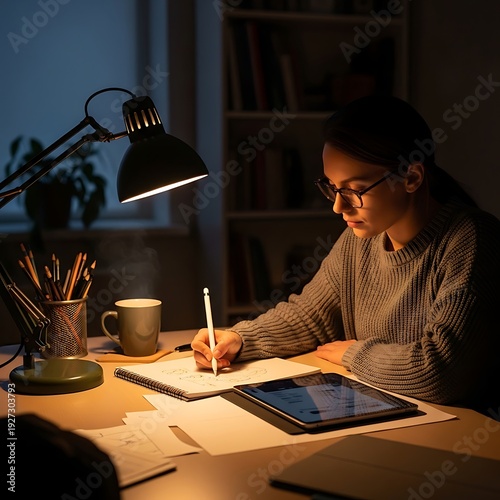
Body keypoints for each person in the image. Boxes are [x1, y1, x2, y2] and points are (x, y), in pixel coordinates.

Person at [192, 95, 500, 415]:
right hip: (385, 415)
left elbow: (441, 372)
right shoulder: (361, 240)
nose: (339, 206)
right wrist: (239, 339)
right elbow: (311, 315)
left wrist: (355, 354)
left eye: (354, 190)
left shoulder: (470, 241)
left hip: (463, 433)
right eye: (333, 188)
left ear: (411, 178)